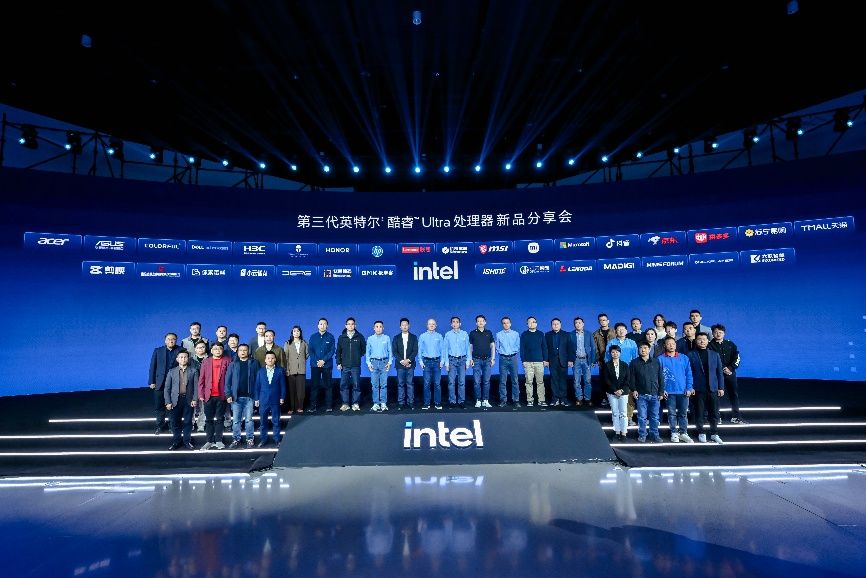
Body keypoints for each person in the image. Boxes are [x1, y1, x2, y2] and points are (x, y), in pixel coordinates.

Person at [687, 333, 725, 444]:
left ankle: (714, 433)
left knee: (714, 412)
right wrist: (690, 387)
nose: (702, 341)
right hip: (698, 389)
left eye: (704, 339)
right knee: (699, 412)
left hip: (713, 388)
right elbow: (688, 372)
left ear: (708, 341)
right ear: (696, 341)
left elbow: (719, 372)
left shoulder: (715, 354)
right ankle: (701, 432)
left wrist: (721, 387)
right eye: (699, 339)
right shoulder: (690, 355)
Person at [657, 336, 694, 443]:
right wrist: (662, 389)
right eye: (668, 344)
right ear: (665, 346)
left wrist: (689, 387)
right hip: (669, 392)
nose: (671, 345)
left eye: (673, 343)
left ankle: (683, 433)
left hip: (683, 391)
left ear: (676, 345)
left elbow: (689, 374)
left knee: (683, 414)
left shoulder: (684, 358)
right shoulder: (660, 359)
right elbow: (657, 376)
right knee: (671, 414)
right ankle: (674, 433)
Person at [197, 342, 232, 450]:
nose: (217, 351)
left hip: (222, 395)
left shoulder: (228, 360)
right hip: (208, 395)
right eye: (215, 349)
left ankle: (219, 441)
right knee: (209, 419)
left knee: (220, 418)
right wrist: (201, 393)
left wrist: (229, 394)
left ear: (223, 350)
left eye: (220, 349)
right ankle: (209, 441)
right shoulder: (206, 361)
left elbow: (231, 379)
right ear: (211, 351)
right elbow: (201, 379)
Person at [148, 332, 184, 435]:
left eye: (173, 339)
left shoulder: (181, 350)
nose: (171, 341)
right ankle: (160, 426)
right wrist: (152, 381)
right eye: (169, 339)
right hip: (160, 383)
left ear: (176, 340)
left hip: (175, 383)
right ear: (165, 340)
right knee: (159, 406)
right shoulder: (158, 351)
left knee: (173, 406)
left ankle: (172, 426)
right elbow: (153, 366)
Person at [225, 344, 260, 449]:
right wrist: (228, 394)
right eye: (241, 350)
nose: (243, 352)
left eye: (245, 350)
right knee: (236, 420)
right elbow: (227, 381)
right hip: (236, 398)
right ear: (238, 352)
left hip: (250, 397)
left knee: (249, 420)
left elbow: (258, 381)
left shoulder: (254, 363)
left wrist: (257, 397)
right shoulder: (233, 364)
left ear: (248, 351)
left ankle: (250, 439)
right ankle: (236, 439)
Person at [709, 324, 745, 424]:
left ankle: (736, 417)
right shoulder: (709, 345)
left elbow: (737, 357)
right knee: (715, 395)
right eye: (716, 332)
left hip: (730, 373)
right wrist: (721, 369)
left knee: (733, 394)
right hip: (716, 375)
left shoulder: (730, 344)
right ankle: (716, 417)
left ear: (724, 333)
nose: (718, 334)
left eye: (720, 332)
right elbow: (710, 360)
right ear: (712, 333)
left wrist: (731, 368)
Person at [629, 342, 665, 443]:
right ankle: (642, 435)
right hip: (641, 395)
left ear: (649, 349)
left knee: (655, 417)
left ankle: (655, 435)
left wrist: (661, 392)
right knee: (642, 417)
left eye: (645, 348)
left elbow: (661, 377)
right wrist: (634, 390)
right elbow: (632, 378)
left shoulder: (656, 361)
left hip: (655, 394)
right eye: (641, 348)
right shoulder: (634, 362)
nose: (643, 350)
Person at [163, 349, 199, 450]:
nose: (183, 359)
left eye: (185, 357)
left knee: (188, 422)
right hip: (175, 401)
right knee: (175, 422)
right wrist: (168, 402)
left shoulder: (193, 370)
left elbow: (196, 387)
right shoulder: (171, 371)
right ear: (177, 359)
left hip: (188, 400)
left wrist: (195, 399)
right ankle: (176, 442)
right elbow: (167, 388)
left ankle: (187, 441)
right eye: (181, 357)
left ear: (188, 359)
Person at [605, 323, 639, 423]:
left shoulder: (632, 343)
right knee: (616, 394)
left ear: (626, 330)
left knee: (629, 395)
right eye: (619, 329)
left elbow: (636, 358)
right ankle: (618, 418)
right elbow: (607, 358)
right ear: (615, 331)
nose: (621, 331)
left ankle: (629, 417)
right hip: (615, 373)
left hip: (629, 372)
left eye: (623, 329)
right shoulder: (611, 342)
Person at [255, 351, 286, 447]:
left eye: (272, 358)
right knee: (263, 422)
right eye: (268, 358)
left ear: (275, 359)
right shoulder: (260, 371)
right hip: (263, 400)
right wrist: (256, 399)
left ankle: (277, 439)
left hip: (275, 399)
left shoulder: (280, 371)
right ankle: (263, 439)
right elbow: (257, 386)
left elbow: (283, 386)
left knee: (276, 421)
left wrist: (282, 397)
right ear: (265, 360)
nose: (270, 360)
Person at [337, 317, 366, 411]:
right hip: (344, 365)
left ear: (355, 325)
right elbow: (338, 351)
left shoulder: (359, 337)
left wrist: (356, 356)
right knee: (344, 385)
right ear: (345, 326)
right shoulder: (342, 337)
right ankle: (345, 403)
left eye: (352, 324)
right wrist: (338, 363)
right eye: (348, 324)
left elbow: (364, 349)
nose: (350, 325)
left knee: (356, 385)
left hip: (355, 366)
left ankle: (355, 403)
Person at [603, 344, 631, 441]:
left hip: (623, 392)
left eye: (617, 352)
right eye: (613, 352)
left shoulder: (625, 365)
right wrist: (615, 390)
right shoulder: (607, 365)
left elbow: (628, 380)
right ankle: (617, 432)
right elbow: (606, 379)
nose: (615, 353)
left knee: (623, 413)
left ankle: (624, 433)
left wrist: (621, 390)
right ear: (610, 353)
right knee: (615, 413)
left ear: (620, 353)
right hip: (612, 392)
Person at [308, 318, 335, 412]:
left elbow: (332, 350)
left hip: (327, 365)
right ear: (318, 325)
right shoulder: (313, 337)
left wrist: (323, 360)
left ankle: (329, 406)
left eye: (324, 324)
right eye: (320, 324)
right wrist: (317, 361)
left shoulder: (330, 337)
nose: (322, 325)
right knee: (314, 385)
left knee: (328, 385)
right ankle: (313, 406)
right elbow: (310, 350)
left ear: (327, 326)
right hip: (315, 365)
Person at [545, 318, 574, 407]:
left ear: (560, 325)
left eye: (557, 324)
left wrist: (570, 360)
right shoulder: (547, 335)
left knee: (563, 380)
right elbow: (546, 349)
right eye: (554, 324)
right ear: (551, 325)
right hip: (552, 361)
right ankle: (555, 399)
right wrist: (546, 360)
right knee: (554, 380)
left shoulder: (566, 334)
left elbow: (570, 348)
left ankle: (563, 399)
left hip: (563, 360)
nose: (555, 325)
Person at [520, 316, 548, 407]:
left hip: (539, 362)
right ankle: (530, 400)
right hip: (528, 362)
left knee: (540, 382)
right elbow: (522, 349)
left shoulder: (541, 334)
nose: (532, 323)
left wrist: (545, 359)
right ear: (527, 324)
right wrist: (523, 360)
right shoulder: (524, 334)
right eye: (530, 322)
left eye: (534, 322)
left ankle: (541, 400)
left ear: (536, 323)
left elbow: (544, 347)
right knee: (529, 382)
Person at [443, 316, 470, 409]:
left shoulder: (464, 334)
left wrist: (468, 361)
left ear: (460, 324)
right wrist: (446, 363)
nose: (455, 323)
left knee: (462, 382)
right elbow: (445, 349)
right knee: (451, 382)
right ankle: (452, 401)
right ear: (451, 324)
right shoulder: (448, 335)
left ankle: (461, 401)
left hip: (462, 360)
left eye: (457, 322)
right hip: (452, 360)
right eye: (453, 322)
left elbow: (468, 348)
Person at [469, 315, 495, 408]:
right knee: (477, 381)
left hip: (487, 360)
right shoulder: (472, 333)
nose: (480, 322)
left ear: (485, 322)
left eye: (482, 321)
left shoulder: (489, 332)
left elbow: (492, 346)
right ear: (476, 323)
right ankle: (478, 400)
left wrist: (493, 358)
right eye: (478, 321)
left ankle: (485, 400)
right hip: (476, 360)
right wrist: (470, 359)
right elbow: (470, 347)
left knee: (486, 381)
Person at [391, 318, 418, 410]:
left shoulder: (414, 337)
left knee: (410, 384)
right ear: (400, 326)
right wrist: (402, 361)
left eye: (406, 324)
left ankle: (411, 402)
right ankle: (401, 403)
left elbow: (415, 351)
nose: (405, 326)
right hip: (400, 365)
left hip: (410, 364)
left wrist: (408, 361)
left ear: (409, 326)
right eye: (403, 325)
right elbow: (394, 351)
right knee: (400, 384)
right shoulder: (396, 338)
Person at [418, 318, 444, 410]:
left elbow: (443, 349)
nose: (431, 325)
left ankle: (437, 403)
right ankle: (426, 403)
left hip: (437, 362)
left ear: (436, 326)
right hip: (426, 362)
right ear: (427, 325)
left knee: (437, 383)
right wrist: (420, 361)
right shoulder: (422, 336)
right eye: (430, 324)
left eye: (433, 324)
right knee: (426, 383)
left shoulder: (439, 336)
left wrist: (442, 361)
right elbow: (420, 350)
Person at [366, 320, 392, 412]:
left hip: (384, 362)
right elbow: (368, 352)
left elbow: (390, 351)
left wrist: (389, 362)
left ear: (383, 328)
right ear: (374, 328)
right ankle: (376, 403)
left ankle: (383, 403)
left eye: (380, 326)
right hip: (374, 362)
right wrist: (368, 363)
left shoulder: (387, 338)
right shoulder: (370, 339)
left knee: (384, 384)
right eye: (376, 326)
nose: (378, 328)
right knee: (375, 385)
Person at [569, 317, 596, 406]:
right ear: (574, 324)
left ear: (583, 324)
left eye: (579, 322)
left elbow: (593, 347)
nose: (578, 324)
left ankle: (587, 398)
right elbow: (568, 348)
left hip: (586, 359)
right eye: (576, 323)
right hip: (576, 360)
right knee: (576, 380)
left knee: (587, 380)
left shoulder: (588, 334)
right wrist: (570, 360)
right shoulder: (571, 334)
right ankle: (579, 398)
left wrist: (593, 360)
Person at [495, 316, 521, 408]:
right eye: (504, 323)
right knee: (502, 380)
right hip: (503, 359)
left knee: (515, 380)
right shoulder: (498, 334)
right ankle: (503, 400)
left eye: (507, 323)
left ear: (510, 324)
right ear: (502, 324)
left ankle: (516, 400)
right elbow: (497, 347)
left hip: (513, 358)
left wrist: (512, 352)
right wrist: (502, 353)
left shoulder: (515, 334)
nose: (506, 324)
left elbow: (518, 346)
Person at [283, 325, 308, 415]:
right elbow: (285, 357)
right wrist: (287, 369)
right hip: (291, 370)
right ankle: (291, 407)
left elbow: (307, 354)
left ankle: (300, 407)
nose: (296, 333)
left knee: (301, 390)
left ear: (300, 332)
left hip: (301, 369)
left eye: (298, 331)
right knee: (291, 390)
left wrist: (301, 361)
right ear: (292, 333)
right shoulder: (288, 343)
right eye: (294, 331)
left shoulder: (304, 343)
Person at [592, 313, 616, 406]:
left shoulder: (614, 331)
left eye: (604, 320)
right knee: (603, 380)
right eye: (601, 320)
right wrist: (598, 359)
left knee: (614, 379)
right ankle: (604, 398)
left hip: (614, 359)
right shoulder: (596, 334)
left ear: (608, 321)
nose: (603, 322)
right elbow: (595, 348)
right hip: (602, 360)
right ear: (599, 322)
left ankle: (613, 397)